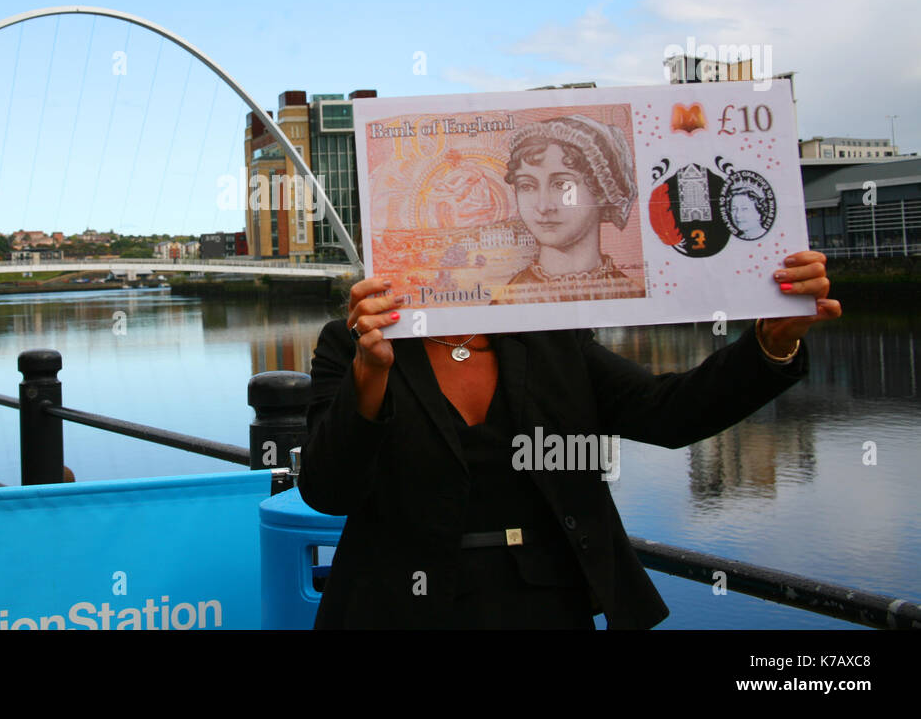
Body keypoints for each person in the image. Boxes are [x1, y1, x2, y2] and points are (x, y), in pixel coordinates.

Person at [297, 251, 840, 629]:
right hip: (398, 608)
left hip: (546, 604)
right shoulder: (349, 346)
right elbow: (328, 489)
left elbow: (668, 414)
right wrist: (370, 374)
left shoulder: (548, 334)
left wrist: (770, 344)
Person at [500, 115, 637, 298]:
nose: (543, 206)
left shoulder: (630, 295)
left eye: (562, 185)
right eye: (527, 186)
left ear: (603, 191)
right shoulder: (509, 300)